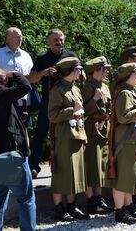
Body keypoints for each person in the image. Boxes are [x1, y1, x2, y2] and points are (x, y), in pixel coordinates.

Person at [0, 69, 36, 231]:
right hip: (12, 158)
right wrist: (15, 74)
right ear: (2, 82)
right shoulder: (0, 94)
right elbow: (26, 87)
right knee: (26, 200)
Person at [28, 29, 77, 178]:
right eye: (55, 40)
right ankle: (34, 166)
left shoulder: (71, 56)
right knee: (40, 134)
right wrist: (43, 73)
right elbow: (31, 79)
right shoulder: (42, 58)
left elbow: (81, 76)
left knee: (70, 132)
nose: (59, 42)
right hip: (48, 101)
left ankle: (69, 164)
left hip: (68, 100)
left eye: (61, 39)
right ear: (49, 42)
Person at [48, 57, 90, 221]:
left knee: (74, 174)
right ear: (69, 71)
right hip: (64, 137)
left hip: (77, 134)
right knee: (61, 173)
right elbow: (52, 115)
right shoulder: (57, 90)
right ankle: (59, 209)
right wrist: (71, 109)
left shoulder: (75, 89)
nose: (80, 71)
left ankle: (72, 207)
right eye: (77, 69)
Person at [110, 62, 136, 224]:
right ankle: (119, 211)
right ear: (128, 76)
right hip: (125, 140)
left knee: (129, 176)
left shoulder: (131, 92)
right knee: (122, 177)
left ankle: (128, 206)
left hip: (132, 139)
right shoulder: (125, 94)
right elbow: (123, 117)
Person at [81, 56, 114, 214]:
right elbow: (83, 111)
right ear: (96, 70)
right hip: (92, 129)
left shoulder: (105, 86)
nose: (107, 71)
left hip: (103, 128)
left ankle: (99, 197)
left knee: (101, 165)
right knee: (91, 165)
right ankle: (90, 201)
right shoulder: (88, 87)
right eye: (104, 68)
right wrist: (94, 99)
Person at [0, 27, 33, 124]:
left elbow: (31, 76)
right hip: (3, 101)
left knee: (23, 131)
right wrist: (5, 75)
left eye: (21, 37)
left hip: (23, 102)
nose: (20, 39)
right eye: (17, 37)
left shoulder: (26, 56)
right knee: (4, 131)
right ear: (8, 39)